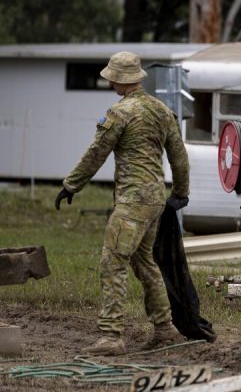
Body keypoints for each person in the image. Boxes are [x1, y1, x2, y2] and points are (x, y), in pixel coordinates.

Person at [55, 51, 190, 356]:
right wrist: (180, 192)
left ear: (119, 79)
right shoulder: (162, 111)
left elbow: (97, 151)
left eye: (111, 77)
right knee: (144, 262)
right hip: (155, 198)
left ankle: (110, 335)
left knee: (112, 261)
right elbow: (179, 156)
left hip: (133, 201)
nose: (110, 81)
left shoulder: (120, 112)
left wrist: (71, 184)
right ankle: (165, 328)